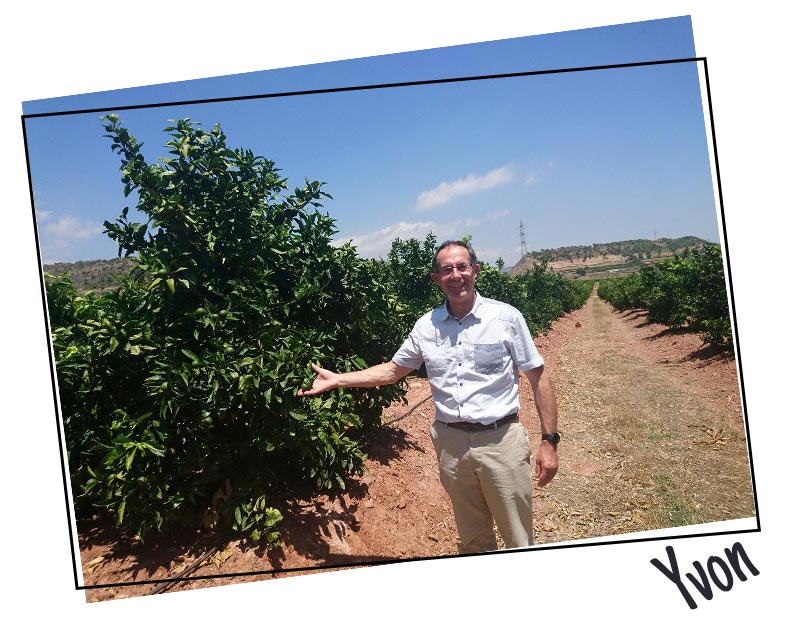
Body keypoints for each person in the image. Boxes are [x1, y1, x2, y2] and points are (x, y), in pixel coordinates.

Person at [298, 240, 559, 553]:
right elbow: (393, 371)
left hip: (500, 440)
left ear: (475, 271)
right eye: (447, 270)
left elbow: (538, 378)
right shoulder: (426, 326)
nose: (456, 275)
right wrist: (340, 379)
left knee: (519, 539)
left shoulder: (506, 319)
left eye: (462, 267)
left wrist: (549, 441)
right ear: (437, 279)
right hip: (452, 446)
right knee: (473, 540)